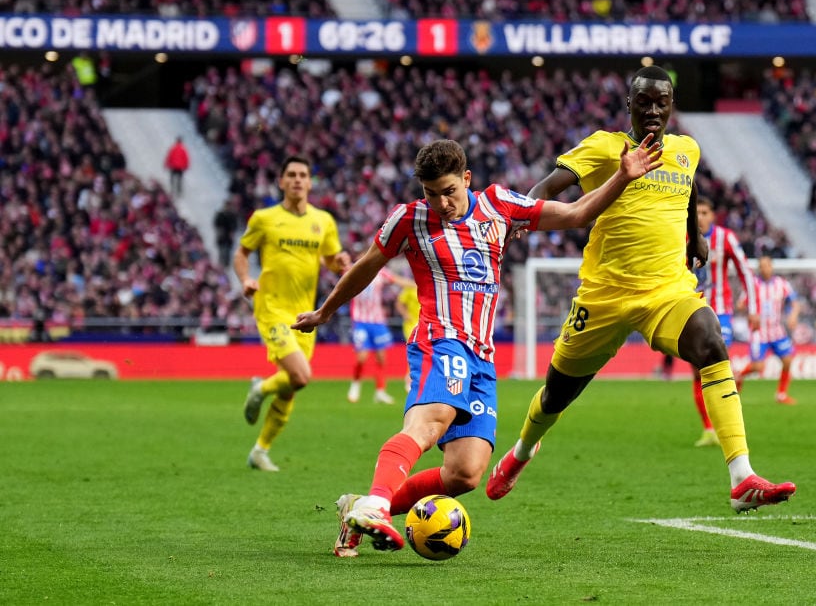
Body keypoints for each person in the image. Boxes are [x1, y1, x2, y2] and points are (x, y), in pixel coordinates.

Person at [292, 136, 664, 555]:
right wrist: (325, 312)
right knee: (429, 424)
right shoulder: (409, 219)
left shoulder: (499, 205)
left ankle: (360, 508)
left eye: (449, 191)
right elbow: (365, 267)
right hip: (440, 340)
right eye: (431, 194)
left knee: (465, 473)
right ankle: (377, 505)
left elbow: (577, 213)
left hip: (482, 358)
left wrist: (622, 176)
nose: (441, 203)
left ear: (467, 179)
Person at [485, 65, 796, 513]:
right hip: (604, 296)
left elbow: (688, 190)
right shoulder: (603, 147)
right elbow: (548, 185)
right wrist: (521, 217)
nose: (652, 110)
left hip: (666, 291)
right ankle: (521, 452)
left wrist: (696, 236)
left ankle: (741, 476)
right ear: (629, 104)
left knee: (711, 342)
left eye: (661, 103)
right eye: (644, 102)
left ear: (671, 107)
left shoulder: (686, 149)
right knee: (556, 395)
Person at [235, 155, 350, 472]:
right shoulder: (265, 218)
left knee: (291, 387)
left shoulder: (323, 221)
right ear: (281, 181)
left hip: (305, 313)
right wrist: (245, 279)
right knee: (300, 375)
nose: (298, 180)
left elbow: (331, 259)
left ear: (310, 183)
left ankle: (260, 451)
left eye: (303, 175)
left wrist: (339, 262)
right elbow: (241, 253)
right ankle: (260, 388)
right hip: (272, 307)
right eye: (292, 175)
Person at [689, 196, 760, 447]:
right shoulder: (682, 236)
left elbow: (746, 271)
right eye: (696, 212)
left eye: (705, 212)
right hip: (691, 309)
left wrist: (753, 308)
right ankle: (709, 429)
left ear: (713, 215)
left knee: (718, 362)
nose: (700, 217)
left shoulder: (725, 237)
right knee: (697, 372)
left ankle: (728, 428)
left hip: (720, 312)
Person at [346, 246, 413, 405]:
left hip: (378, 321)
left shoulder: (380, 273)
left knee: (381, 358)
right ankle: (355, 385)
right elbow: (340, 269)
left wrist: (416, 284)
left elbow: (398, 280)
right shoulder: (353, 271)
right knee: (362, 357)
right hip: (361, 321)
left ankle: (380, 391)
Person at [735, 255, 801, 405]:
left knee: (788, 360)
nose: (765, 269)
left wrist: (793, 316)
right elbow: (740, 304)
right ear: (759, 268)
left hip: (777, 330)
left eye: (768, 265)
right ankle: (739, 375)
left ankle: (781, 394)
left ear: (772, 267)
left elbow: (795, 303)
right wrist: (749, 313)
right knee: (758, 367)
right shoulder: (753, 285)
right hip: (759, 332)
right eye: (762, 266)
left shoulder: (781, 284)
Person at [394, 275, 421, 393]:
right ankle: (409, 378)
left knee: (421, 351)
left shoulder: (428, 287)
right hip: (411, 324)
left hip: (424, 322)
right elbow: (399, 303)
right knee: (414, 348)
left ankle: (416, 377)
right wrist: (405, 314)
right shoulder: (410, 288)